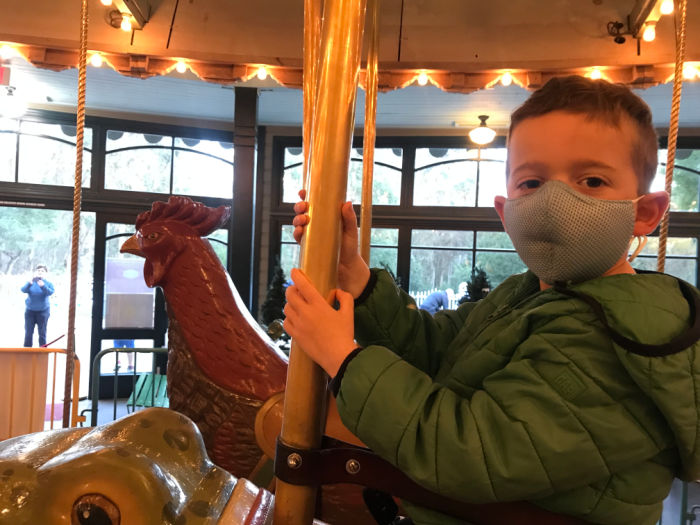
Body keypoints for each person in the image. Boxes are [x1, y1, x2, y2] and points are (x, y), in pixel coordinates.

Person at [283, 75, 700, 525]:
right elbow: (439, 350)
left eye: (592, 180)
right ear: (506, 213)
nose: (553, 202)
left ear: (644, 213)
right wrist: (356, 278)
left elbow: (471, 453)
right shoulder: (528, 293)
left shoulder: (618, 336)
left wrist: (344, 360)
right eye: (532, 183)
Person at [21, 264, 55, 347]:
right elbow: (23, 290)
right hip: (30, 312)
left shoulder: (48, 283)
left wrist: (43, 286)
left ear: (46, 273)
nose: (40, 272)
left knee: (42, 333)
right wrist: (29, 283)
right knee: (28, 333)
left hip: (43, 312)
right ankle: (27, 352)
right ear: (35, 272)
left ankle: (42, 353)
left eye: (42, 271)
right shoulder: (31, 282)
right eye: (38, 270)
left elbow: (50, 292)